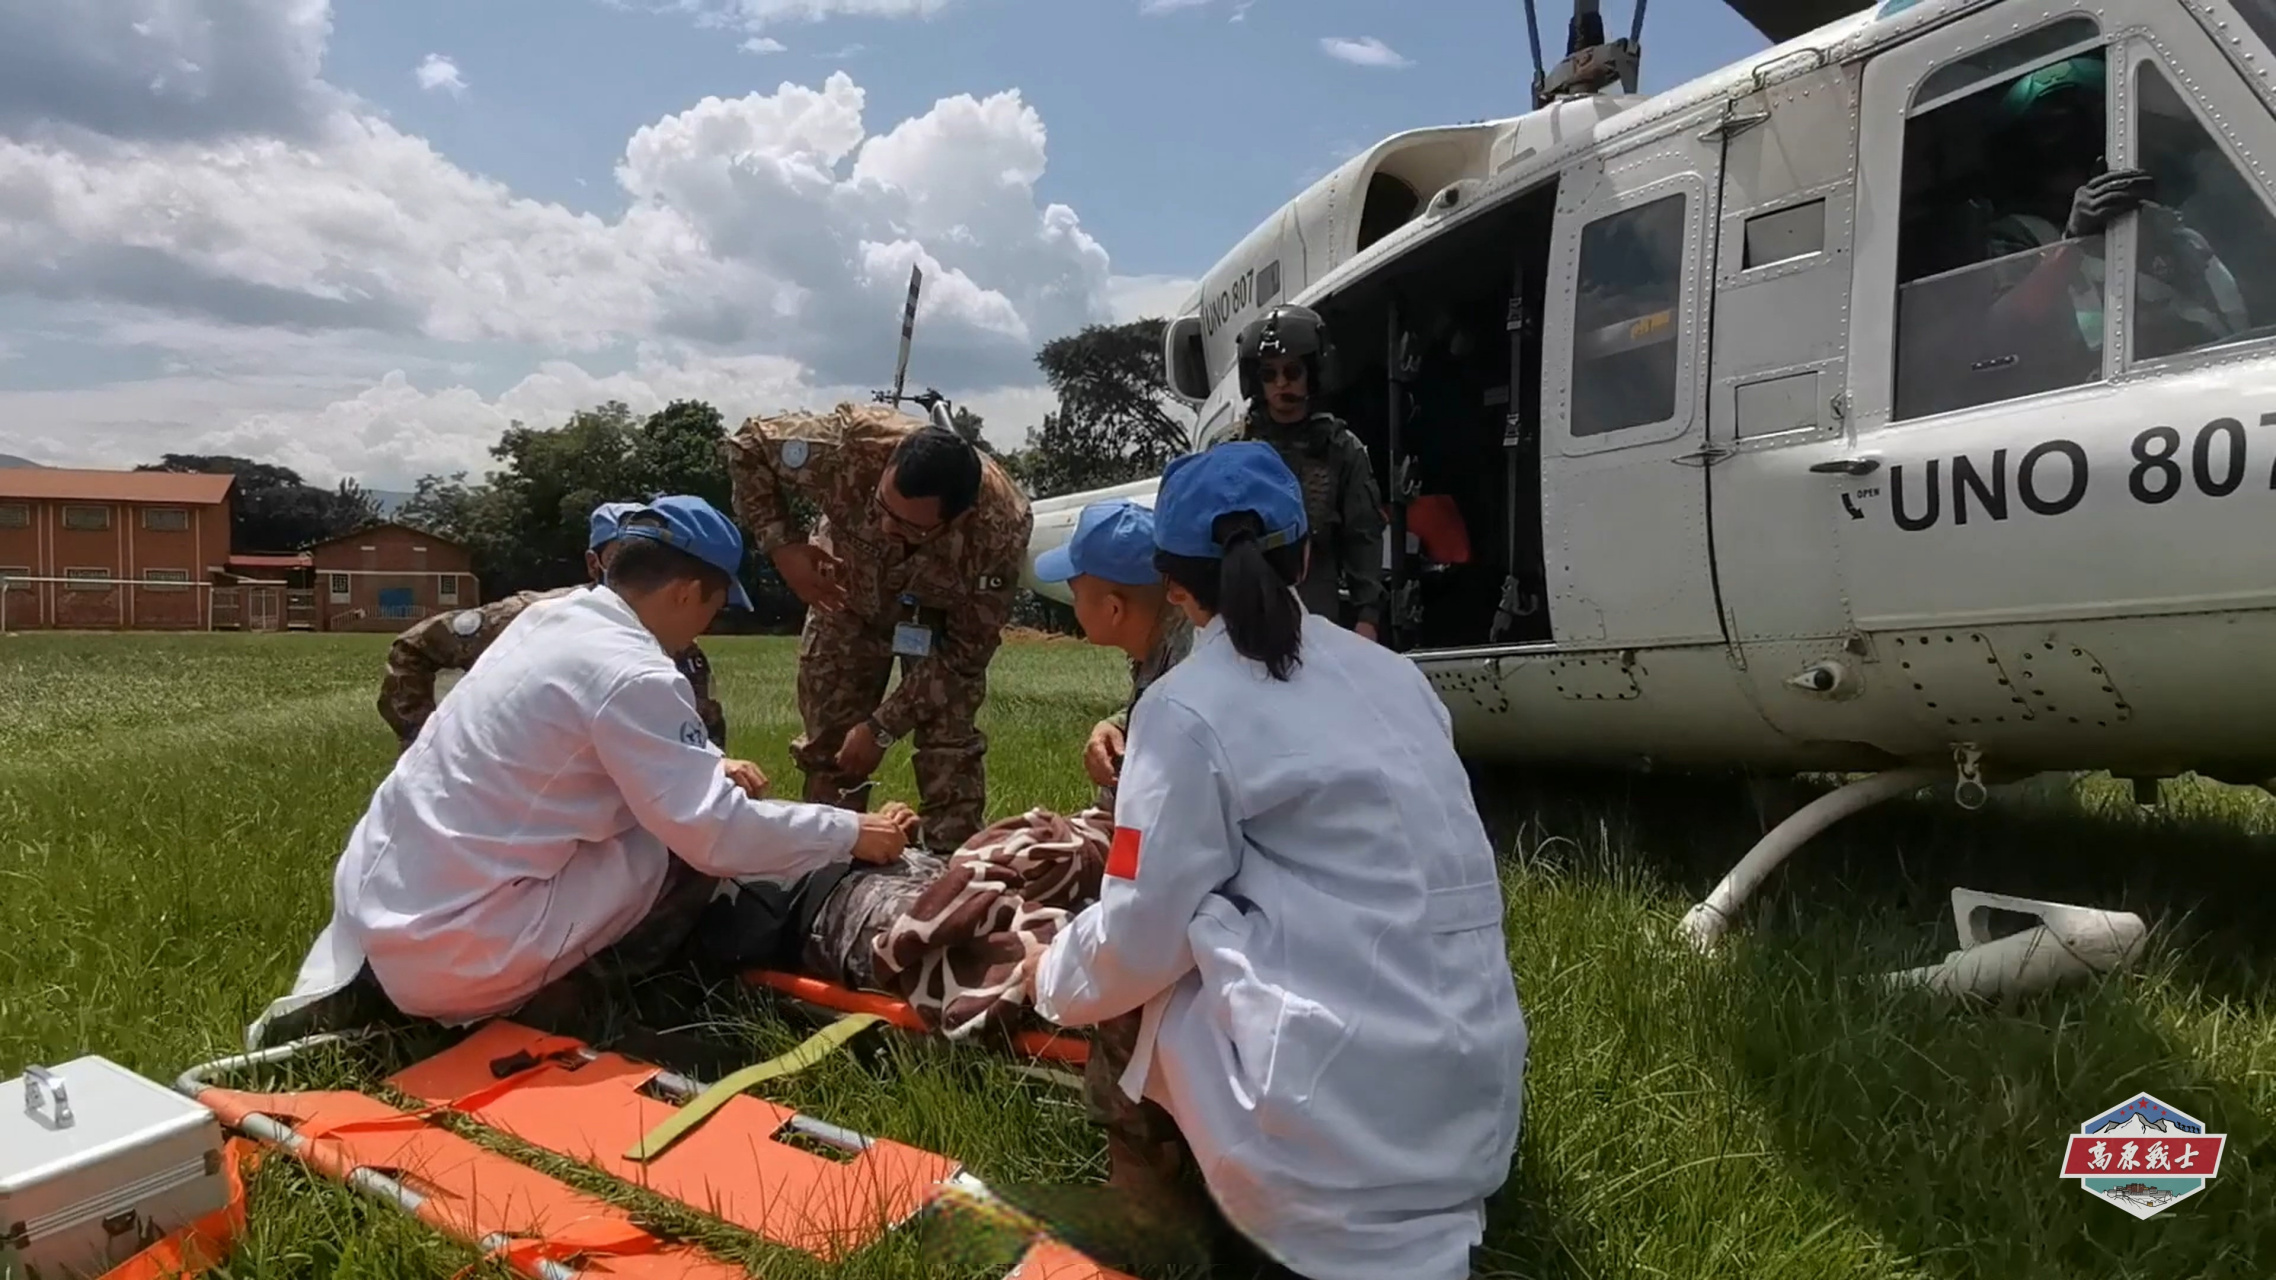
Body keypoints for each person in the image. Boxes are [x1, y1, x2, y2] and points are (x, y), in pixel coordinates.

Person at [1028, 442, 1527, 1280]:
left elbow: (1138, 936)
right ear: (1304, 555)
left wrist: (1048, 975)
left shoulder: (1186, 708)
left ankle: (1149, 1224)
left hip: (1328, 1158)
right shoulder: (1396, 678)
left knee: (1138, 971)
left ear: (1175, 587)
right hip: (1473, 1115)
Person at [249, 495, 918, 1051]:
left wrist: (708, 766)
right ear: (688, 591)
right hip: (458, 945)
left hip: (384, 906)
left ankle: (377, 995)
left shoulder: (550, 621)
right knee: (674, 850)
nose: (706, 627)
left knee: (655, 820)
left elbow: (587, 745)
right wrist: (850, 832)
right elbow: (715, 835)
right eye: (713, 607)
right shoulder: (635, 670)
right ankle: (584, 1008)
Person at [721, 402, 1033, 853]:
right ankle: (834, 860)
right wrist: (783, 546)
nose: (887, 527)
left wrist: (882, 726)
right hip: (846, 596)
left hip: (937, 620)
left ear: (958, 519)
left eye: (908, 526)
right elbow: (747, 445)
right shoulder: (851, 442)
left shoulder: (1000, 527)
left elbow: (966, 653)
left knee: (950, 743)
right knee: (831, 748)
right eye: (882, 507)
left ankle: (955, 870)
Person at [377, 501, 728, 754]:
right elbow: (413, 649)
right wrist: (425, 740)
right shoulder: (531, 617)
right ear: (595, 563)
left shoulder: (678, 645)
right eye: (624, 555)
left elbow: (701, 732)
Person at [1229, 304, 1387, 642]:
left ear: (1313, 372)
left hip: (1316, 593)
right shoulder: (1232, 449)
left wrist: (1367, 616)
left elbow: (1364, 535)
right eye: (1269, 374)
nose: (1281, 383)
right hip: (1247, 595)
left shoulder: (1341, 449)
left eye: (1292, 371)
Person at [1031, 496, 1193, 813]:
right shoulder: (1172, 644)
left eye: (1074, 593)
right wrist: (1117, 725)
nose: (1072, 604)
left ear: (1113, 609)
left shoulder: (1184, 686)